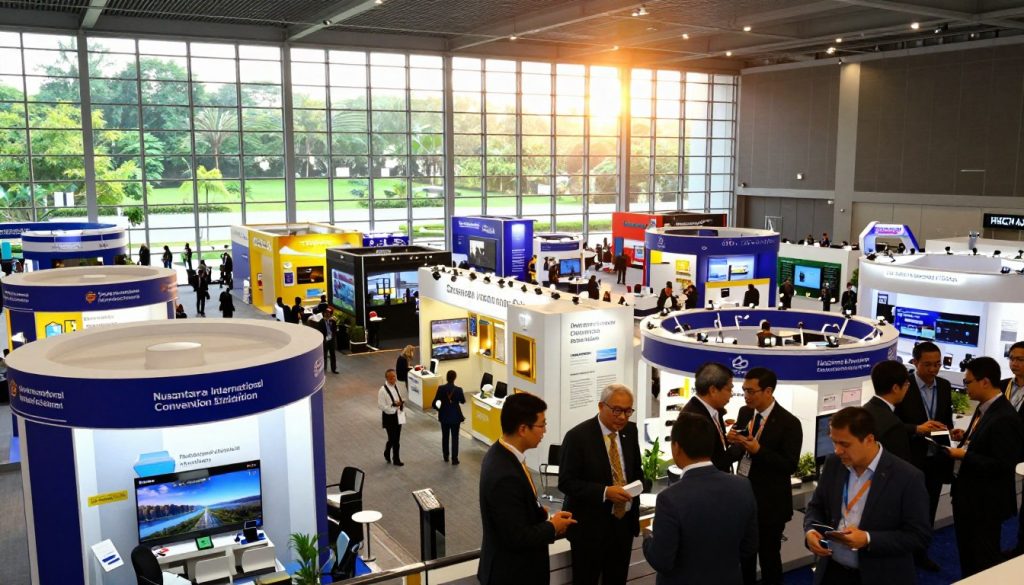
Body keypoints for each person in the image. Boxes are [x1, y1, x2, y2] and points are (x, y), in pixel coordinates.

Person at [803, 407, 931, 585]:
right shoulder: (833, 464)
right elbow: (816, 507)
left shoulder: (907, 477)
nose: (837, 450)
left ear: (869, 439)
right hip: (832, 571)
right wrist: (811, 531)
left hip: (879, 576)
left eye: (844, 444)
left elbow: (918, 536)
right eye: (834, 442)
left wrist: (868, 539)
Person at [643, 412, 757, 584]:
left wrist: (647, 540)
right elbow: (750, 546)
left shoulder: (670, 498)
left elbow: (662, 561)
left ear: (676, 447)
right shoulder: (742, 487)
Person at [478, 392, 575, 585]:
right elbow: (516, 536)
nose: (545, 431)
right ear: (523, 429)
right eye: (541, 425)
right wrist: (553, 526)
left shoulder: (502, 453)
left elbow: (514, 512)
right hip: (513, 575)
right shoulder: (505, 475)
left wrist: (538, 512)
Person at [558, 384, 646, 585]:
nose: (622, 417)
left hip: (623, 526)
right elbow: (566, 482)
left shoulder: (630, 431)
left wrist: (637, 487)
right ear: (601, 406)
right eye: (617, 410)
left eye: (628, 411)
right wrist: (605, 492)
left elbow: (635, 470)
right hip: (590, 530)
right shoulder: (577, 437)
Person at [947, 356, 1024, 577]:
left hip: (985, 503)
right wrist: (966, 439)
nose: (965, 386)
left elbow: (1002, 464)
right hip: (968, 497)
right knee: (968, 555)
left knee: (982, 562)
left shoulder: (1004, 416)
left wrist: (964, 455)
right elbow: (985, 443)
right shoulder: (986, 407)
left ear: (985, 382)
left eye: (968, 382)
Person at [725, 368, 801, 585]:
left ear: (768, 391)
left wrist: (759, 451)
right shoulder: (745, 413)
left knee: (769, 558)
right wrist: (733, 441)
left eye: (751, 391)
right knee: (745, 558)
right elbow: (739, 451)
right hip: (743, 499)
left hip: (770, 505)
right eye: (744, 390)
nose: (746, 396)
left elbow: (789, 465)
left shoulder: (789, 423)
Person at [894, 341, 952, 571]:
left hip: (936, 460)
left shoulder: (944, 386)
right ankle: (902, 555)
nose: (933, 369)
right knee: (906, 512)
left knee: (929, 510)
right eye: (928, 364)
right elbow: (893, 425)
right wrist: (917, 429)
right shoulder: (902, 388)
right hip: (909, 461)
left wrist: (951, 432)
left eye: (937, 364)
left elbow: (945, 420)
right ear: (915, 362)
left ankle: (922, 553)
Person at [681, 362, 734, 472]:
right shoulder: (694, 418)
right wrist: (736, 450)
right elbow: (704, 464)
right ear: (713, 390)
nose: (731, 394)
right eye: (729, 389)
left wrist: (728, 440)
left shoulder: (714, 411)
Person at [863, 360, 914, 463]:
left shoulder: (863, 410)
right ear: (895, 388)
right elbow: (900, 464)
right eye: (906, 384)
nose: (907, 388)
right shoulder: (893, 425)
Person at [1000, 341, 1024, 556]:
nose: (1014, 363)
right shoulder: (1002, 386)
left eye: (1020, 359)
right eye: (1012, 358)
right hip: (1001, 452)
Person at [434, 369, 466, 464]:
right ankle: (454, 458)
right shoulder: (459, 390)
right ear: (455, 378)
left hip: (444, 416)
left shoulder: (441, 388)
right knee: (455, 438)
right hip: (455, 417)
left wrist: (439, 408)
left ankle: (446, 456)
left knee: (445, 436)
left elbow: (435, 401)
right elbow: (463, 401)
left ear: (447, 378)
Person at [377, 369, 406, 466]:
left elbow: (399, 397)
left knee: (396, 439)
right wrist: (393, 406)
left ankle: (395, 458)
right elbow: (381, 406)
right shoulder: (382, 390)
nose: (394, 379)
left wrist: (400, 404)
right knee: (393, 438)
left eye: (394, 376)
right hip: (389, 417)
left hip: (398, 415)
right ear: (387, 378)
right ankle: (389, 453)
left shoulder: (396, 386)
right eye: (392, 377)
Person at [312, 307, 339, 374]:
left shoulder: (333, 321)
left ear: (330, 314)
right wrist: (324, 339)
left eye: (328, 313)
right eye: (326, 313)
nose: (327, 314)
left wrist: (332, 338)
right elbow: (320, 332)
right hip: (325, 341)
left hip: (331, 341)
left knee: (333, 355)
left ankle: (334, 369)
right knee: (324, 356)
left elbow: (334, 331)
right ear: (323, 314)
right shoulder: (321, 322)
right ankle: (324, 370)